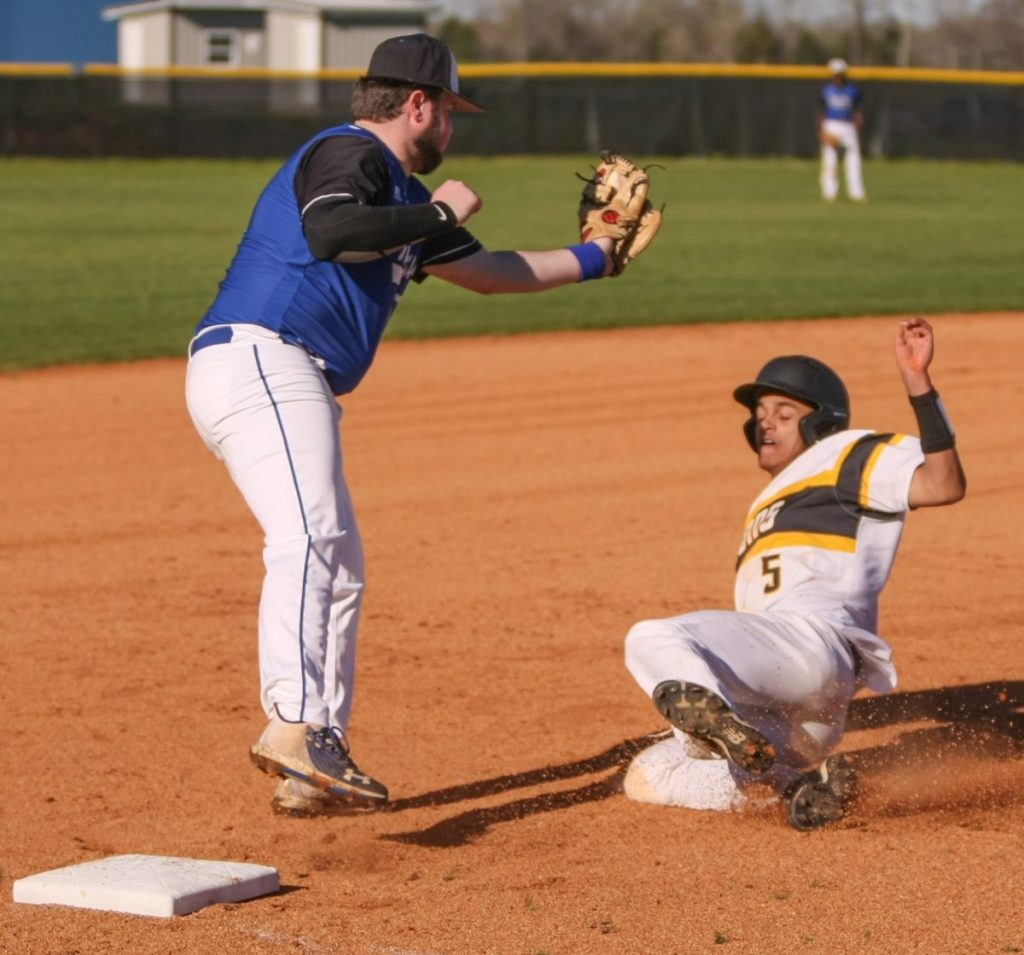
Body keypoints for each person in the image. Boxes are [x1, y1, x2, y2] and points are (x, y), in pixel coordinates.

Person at [184, 33, 628, 817]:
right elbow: (330, 231)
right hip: (262, 357)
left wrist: (597, 257)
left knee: (341, 565)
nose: (451, 129)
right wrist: (438, 207)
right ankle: (292, 723)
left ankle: (312, 755)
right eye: (448, 112)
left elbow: (491, 273)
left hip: (288, 376)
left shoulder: (394, 199)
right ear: (416, 104)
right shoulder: (349, 154)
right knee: (311, 536)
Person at [622, 318, 966, 829]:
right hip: (812, 714)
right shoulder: (769, 501)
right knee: (649, 774)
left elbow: (944, 484)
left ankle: (711, 727)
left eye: (784, 413)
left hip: (811, 641)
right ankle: (797, 787)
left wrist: (919, 384)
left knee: (651, 637)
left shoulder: (844, 452)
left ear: (820, 423)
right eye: (760, 414)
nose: (766, 423)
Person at [818, 57, 866, 202]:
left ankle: (856, 193)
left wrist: (858, 122)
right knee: (830, 160)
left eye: (840, 73)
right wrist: (821, 130)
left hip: (847, 125)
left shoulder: (853, 90)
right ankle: (830, 193)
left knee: (853, 159)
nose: (838, 76)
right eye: (835, 73)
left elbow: (857, 109)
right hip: (831, 124)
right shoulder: (826, 90)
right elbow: (820, 111)